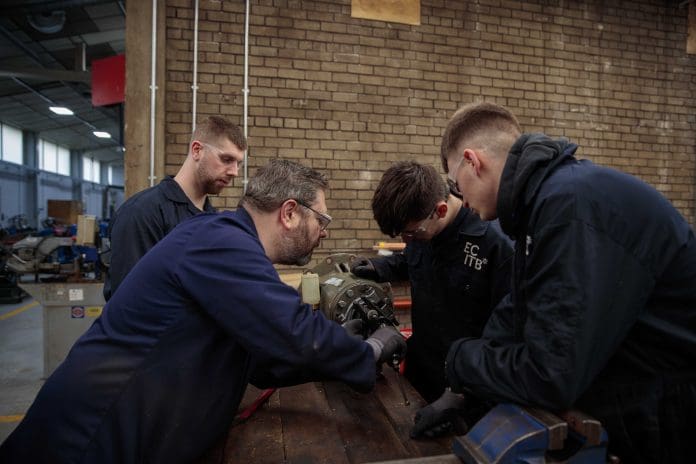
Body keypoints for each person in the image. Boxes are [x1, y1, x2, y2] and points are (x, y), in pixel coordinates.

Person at [0, 159, 406, 464]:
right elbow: (292, 329)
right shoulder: (220, 241)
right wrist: (369, 350)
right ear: (289, 212)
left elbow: (260, 359)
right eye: (323, 219)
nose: (325, 231)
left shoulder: (223, 240)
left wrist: (342, 349)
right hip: (91, 439)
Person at [439, 101, 696, 462]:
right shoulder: (545, 204)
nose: (459, 199)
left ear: (472, 160)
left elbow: (550, 375)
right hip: (641, 392)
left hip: (670, 407)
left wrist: (461, 360)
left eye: (454, 183)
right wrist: (462, 385)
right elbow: (518, 311)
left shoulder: (569, 209)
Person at [350, 160, 513, 438]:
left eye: (411, 233)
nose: (408, 240)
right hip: (422, 370)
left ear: (439, 210)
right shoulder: (424, 234)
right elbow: (413, 261)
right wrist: (381, 267)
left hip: (469, 393)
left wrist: (463, 395)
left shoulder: (495, 245)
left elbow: (508, 337)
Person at [103, 115, 248, 300]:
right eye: (226, 159)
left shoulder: (211, 218)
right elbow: (128, 302)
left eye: (239, 163)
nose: (234, 172)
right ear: (197, 150)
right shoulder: (142, 213)